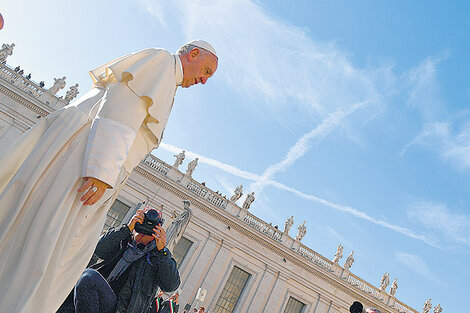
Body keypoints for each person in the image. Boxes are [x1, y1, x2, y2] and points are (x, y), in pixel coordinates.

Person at [0, 39, 218, 313]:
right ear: (194, 54)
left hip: (94, 158)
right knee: (45, 241)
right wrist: (101, 169)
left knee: (46, 241)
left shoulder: (166, 76)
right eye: (207, 71)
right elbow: (121, 107)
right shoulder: (162, 62)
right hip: (87, 159)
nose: (204, 81)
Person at [57, 208, 180, 313]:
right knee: (62, 303)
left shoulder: (157, 256)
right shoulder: (123, 239)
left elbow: (170, 286)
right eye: (141, 225)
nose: (143, 232)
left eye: (149, 229)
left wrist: (162, 251)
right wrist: (127, 228)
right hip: (95, 296)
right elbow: (98, 249)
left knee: (88, 277)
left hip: (121, 308)